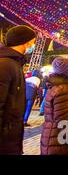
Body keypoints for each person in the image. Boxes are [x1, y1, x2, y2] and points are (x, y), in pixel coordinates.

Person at [0, 25, 36, 155]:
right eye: (33, 41)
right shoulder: (6, 64)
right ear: (25, 42)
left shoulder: (15, 63)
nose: (34, 45)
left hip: (11, 137)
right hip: (5, 140)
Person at [40, 57, 68, 155]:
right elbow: (62, 118)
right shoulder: (65, 88)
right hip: (59, 138)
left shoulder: (56, 85)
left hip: (54, 134)